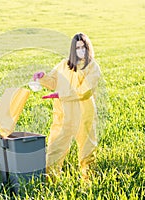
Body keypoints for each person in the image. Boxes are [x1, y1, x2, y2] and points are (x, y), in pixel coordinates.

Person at [33, 33, 101, 179]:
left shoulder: (93, 67)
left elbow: (85, 91)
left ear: (88, 48)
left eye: (83, 47)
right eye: (77, 47)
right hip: (63, 114)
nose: (81, 50)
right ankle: (51, 181)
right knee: (55, 148)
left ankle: (88, 181)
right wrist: (42, 77)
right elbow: (53, 82)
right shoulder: (64, 65)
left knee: (87, 149)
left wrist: (62, 95)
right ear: (73, 49)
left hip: (83, 114)